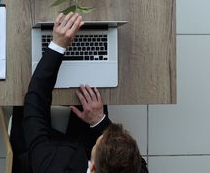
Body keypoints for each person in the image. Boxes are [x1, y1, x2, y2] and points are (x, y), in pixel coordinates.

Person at [11, 12, 148, 173]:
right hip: (80, 152)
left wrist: (57, 46)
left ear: (93, 166)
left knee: (22, 97)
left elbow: (35, 108)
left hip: (46, 154)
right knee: (92, 94)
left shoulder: (51, 166)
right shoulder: (133, 169)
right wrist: (99, 121)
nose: (102, 135)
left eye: (100, 140)